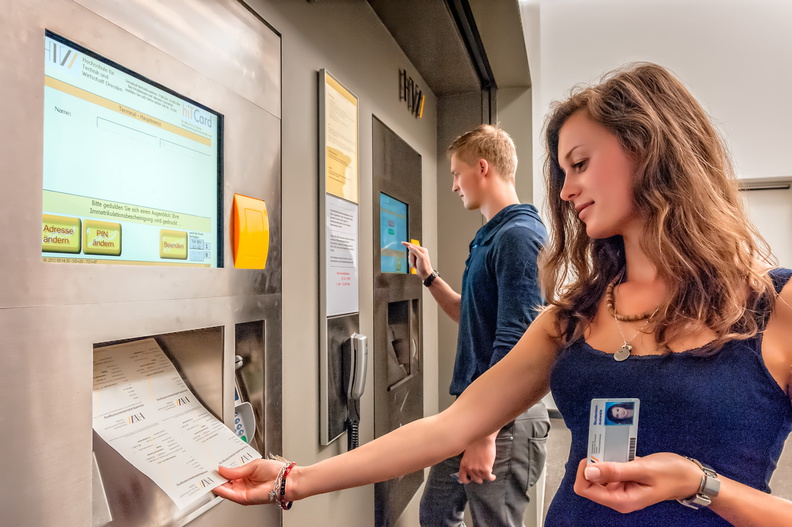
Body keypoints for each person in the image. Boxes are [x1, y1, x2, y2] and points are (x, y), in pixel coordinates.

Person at [214, 63, 792, 526]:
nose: (565, 192)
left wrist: (702, 485)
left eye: (580, 164)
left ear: (648, 148)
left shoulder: (776, 308)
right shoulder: (574, 319)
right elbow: (448, 427)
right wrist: (297, 478)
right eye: (561, 173)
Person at [402, 124, 550, 527]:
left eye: (455, 173)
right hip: (474, 411)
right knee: (435, 513)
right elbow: (472, 314)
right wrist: (430, 277)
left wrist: (486, 434)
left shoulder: (519, 236)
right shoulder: (492, 236)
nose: (454, 185)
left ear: (481, 167)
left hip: (503, 421)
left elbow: (516, 343)